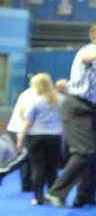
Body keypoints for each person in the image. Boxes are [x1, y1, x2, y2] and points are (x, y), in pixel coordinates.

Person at [46, 23, 96, 208]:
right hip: (76, 107)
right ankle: (55, 192)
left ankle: (85, 195)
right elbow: (87, 57)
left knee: (94, 152)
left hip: (90, 108)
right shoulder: (89, 51)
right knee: (85, 151)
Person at [16, 73, 64, 205]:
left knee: (38, 168)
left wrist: (20, 139)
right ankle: (53, 194)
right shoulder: (60, 100)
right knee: (52, 168)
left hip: (36, 137)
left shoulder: (34, 101)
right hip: (55, 137)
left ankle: (38, 197)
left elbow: (27, 122)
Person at [1, 85, 36, 190]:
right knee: (25, 156)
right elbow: (25, 114)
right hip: (19, 129)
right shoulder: (31, 95)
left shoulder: (28, 93)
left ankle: (27, 183)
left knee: (27, 156)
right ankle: (5, 172)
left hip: (20, 129)